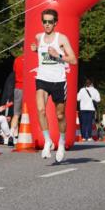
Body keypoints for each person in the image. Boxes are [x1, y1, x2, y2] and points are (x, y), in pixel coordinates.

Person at [31, 9, 77, 161]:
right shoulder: (39, 37)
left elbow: (74, 60)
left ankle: (62, 142)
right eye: (45, 21)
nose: (47, 24)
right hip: (42, 79)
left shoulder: (61, 38)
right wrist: (36, 49)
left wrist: (59, 55)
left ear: (55, 23)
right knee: (40, 110)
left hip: (58, 81)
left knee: (60, 115)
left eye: (50, 22)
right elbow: (42, 52)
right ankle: (48, 141)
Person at [8, 48, 26, 136]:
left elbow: (15, 71)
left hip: (18, 88)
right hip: (29, 89)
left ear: (22, 49)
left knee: (16, 114)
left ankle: (12, 135)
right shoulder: (33, 60)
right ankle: (26, 135)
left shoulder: (17, 60)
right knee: (29, 113)